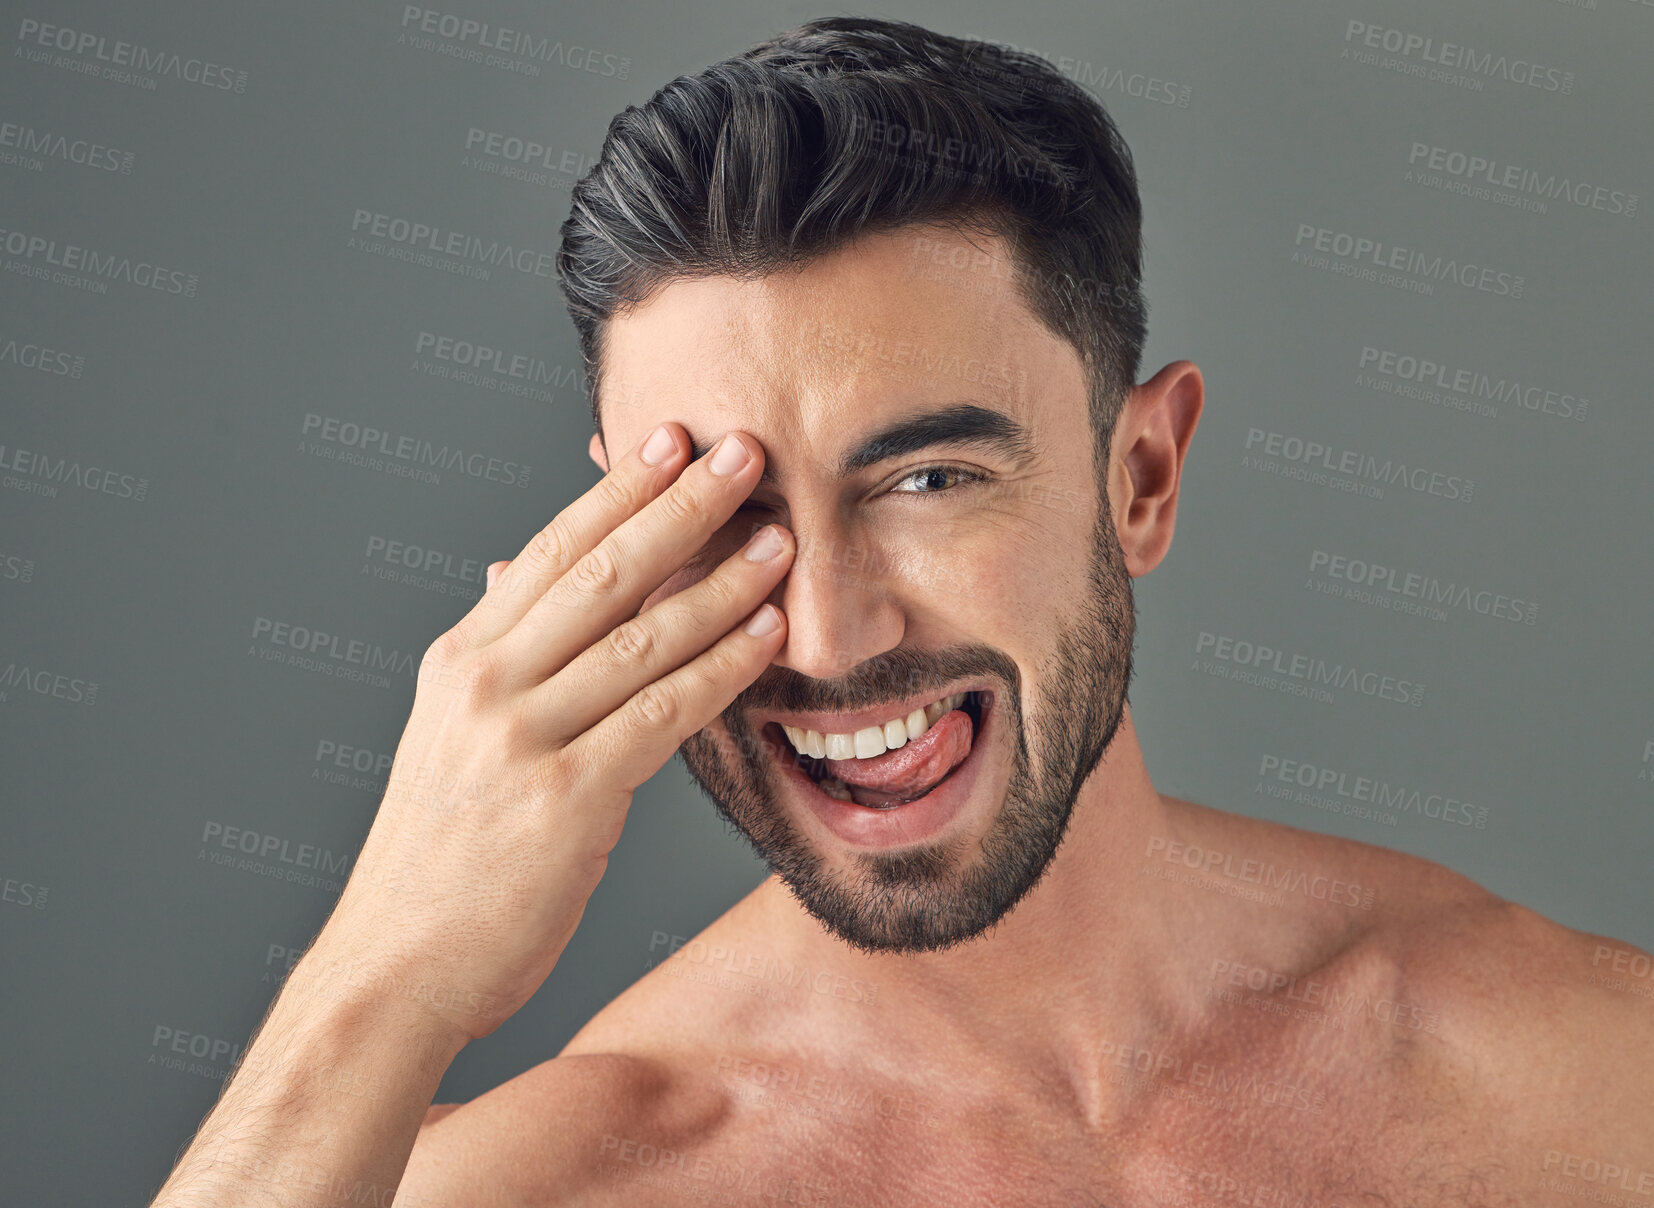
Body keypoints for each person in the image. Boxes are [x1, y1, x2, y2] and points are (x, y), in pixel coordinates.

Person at [151, 16, 1652, 1206]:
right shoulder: (552, 1181)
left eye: (927, 478)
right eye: (721, 518)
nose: (827, 636)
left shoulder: (1580, 1083)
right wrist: (380, 975)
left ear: (1137, 476)